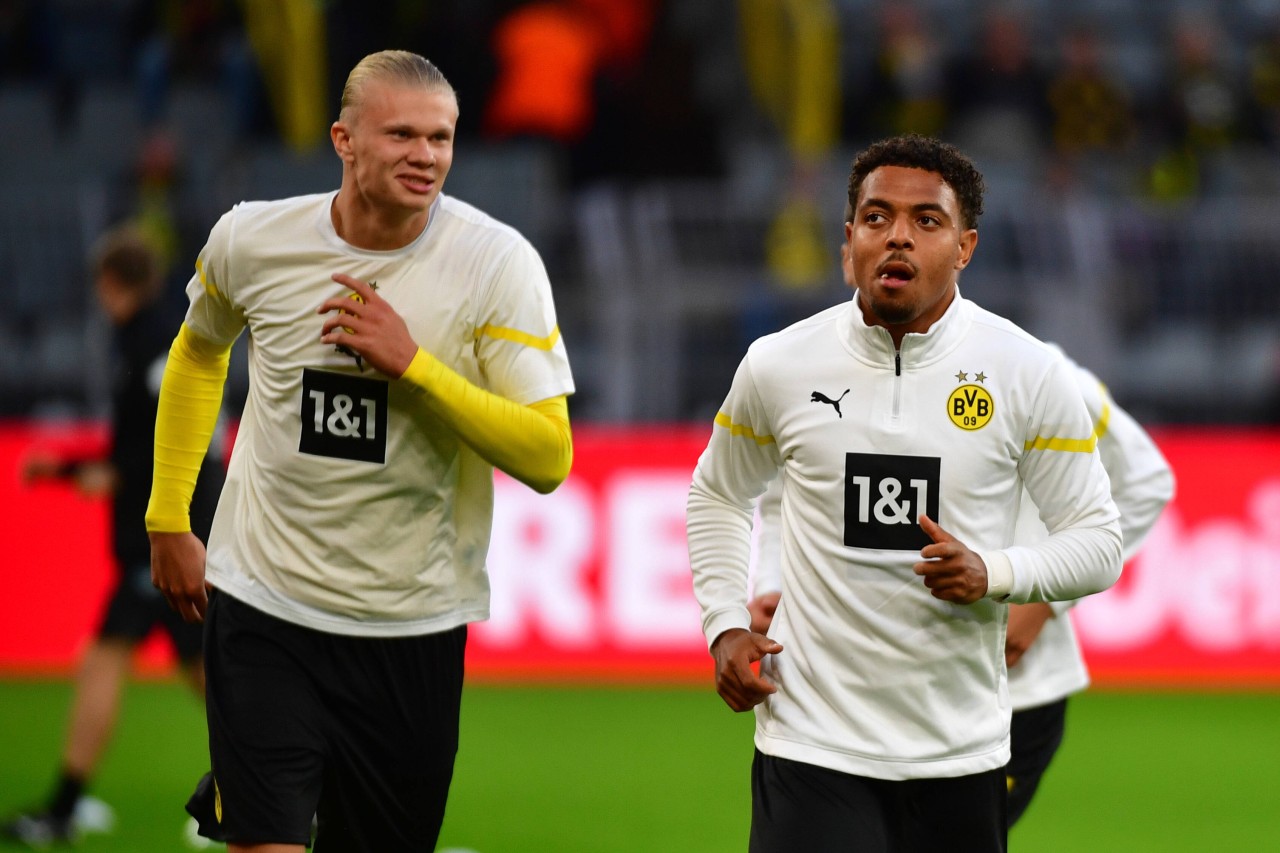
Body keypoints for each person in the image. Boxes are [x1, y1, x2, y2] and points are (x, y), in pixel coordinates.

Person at [144, 50, 575, 852]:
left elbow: (549, 455)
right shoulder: (252, 238)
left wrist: (416, 369)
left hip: (411, 624)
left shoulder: (496, 264)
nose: (426, 155)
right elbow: (198, 349)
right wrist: (169, 512)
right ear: (343, 139)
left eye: (441, 137)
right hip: (264, 606)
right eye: (402, 133)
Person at [686, 134, 1123, 853]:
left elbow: (1098, 540)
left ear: (965, 247)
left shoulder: (1027, 372)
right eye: (876, 216)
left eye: (927, 220)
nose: (897, 235)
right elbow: (721, 495)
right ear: (848, 239)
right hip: (812, 745)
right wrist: (726, 621)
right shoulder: (777, 365)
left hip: (961, 751)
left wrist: (996, 572)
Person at [748, 348, 1176, 827]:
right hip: (856, 691)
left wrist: (1046, 604)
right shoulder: (816, 368)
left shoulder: (1040, 372)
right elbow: (783, 493)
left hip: (1019, 692)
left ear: (961, 266)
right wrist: (774, 583)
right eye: (852, 264)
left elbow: (1146, 481)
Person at [2, 226, 224, 848]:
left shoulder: (150, 341)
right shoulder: (167, 332)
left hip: (170, 538)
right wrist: (81, 469)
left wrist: (85, 471)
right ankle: (267, 789)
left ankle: (65, 808)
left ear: (109, 283)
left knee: (127, 665)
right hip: (181, 531)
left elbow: (157, 445)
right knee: (203, 671)